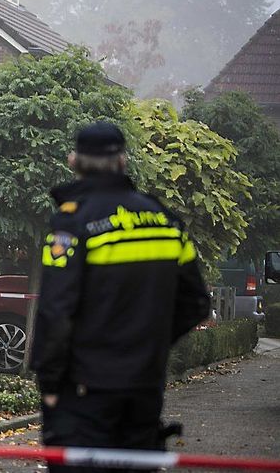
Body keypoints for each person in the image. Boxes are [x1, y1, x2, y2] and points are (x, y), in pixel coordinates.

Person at [30, 121, 211, 472]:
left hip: (86, 392)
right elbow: (196, 303)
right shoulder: (164, 220)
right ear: (124, 161)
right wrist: (149, 345)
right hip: (145, 388)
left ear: (74, 161)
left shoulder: (74, 223)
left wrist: (50, 383)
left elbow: (56, 309)